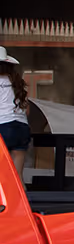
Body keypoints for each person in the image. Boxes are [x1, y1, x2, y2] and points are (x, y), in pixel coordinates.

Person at [0, 46, 31, 177]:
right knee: (17, 178)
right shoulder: (16, 81)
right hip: (22, 127)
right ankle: (22, 197)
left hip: (3, 126)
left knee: (2, 177)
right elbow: (27, 110)